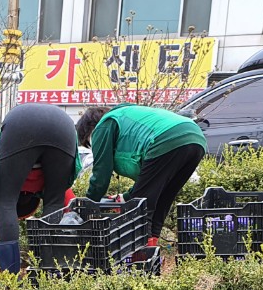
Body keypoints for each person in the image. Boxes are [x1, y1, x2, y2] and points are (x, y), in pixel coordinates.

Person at [75, 104, 207, 247]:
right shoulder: (127, 117)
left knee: (139, 207)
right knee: (163, 198)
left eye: (90, 143)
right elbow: (150, 180)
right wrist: (125, 196)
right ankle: (152, 250)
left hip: (166, 138)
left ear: (90, 130)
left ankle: (143, 255)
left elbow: (101, 174)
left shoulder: (104, 125)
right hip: (195, 137)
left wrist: (87, 204)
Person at [0, 103, 81, 273]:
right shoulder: (45, 185)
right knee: (54, 202)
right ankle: (48, 270)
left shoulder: (2, 192)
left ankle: (10, 276)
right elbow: (71, 203)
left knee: (5, 202)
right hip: (64, 125)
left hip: (22, 123)